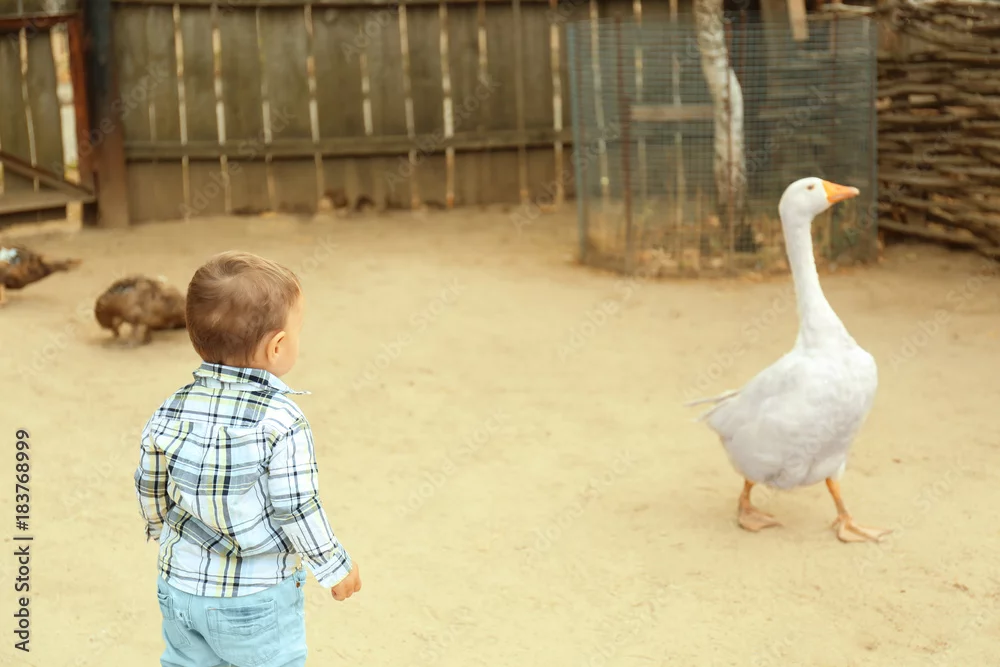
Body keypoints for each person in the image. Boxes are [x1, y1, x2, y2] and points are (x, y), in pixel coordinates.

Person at [134, 250, 361, 667]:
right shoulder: (282, 420)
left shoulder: (171, 408)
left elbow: (149, 484)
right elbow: (296, 507)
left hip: (179, 587)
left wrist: (159, 528)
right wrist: (333, 565)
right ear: (277, 346)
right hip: (255, 597)